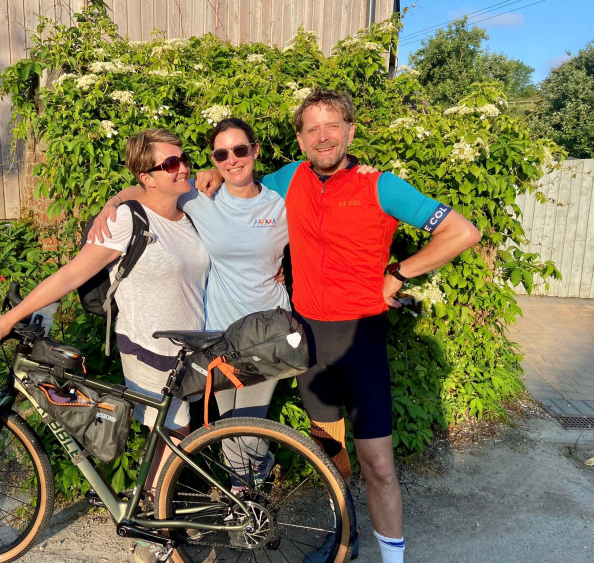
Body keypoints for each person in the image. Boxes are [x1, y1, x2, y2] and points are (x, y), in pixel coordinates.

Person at [197, 88, 481, 563]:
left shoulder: (381, 186)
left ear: (350, 130)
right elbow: (239, 179)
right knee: (330, 460)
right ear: (301, 138)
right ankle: (342, 542)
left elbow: (462, 231)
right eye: (313, 129)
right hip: (310, 341)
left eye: (333, 126)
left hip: (361, 340)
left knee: (379, 465)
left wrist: (400, 272)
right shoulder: (287, 179)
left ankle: (393, 559)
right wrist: (206, 174)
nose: (323, 137)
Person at [0, 129, 210, 523]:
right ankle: (153, 521)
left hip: (191, 344)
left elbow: (212, 183)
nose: (182, 166)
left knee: (172, 434)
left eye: (184, 158)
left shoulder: (191, 208)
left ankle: (148, 508)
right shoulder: (126, 221)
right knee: (172, 432)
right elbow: (70, 276)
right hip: (147, 343)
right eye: (170, 163)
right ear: (147, 176)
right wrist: (8, 320)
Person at [89, 118, 288, 493]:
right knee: (224, 430)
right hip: (219, 338)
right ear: (213, 159)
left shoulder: (280, 202)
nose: (232, 159)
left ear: (256, 151)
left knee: (242, 434)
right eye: (221, 154)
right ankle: (243, 495)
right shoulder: (197, 197)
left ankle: (249, 512)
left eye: (241, 150)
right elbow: (145, 187)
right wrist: (113, 203)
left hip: (266, 334)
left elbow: (316, 243)